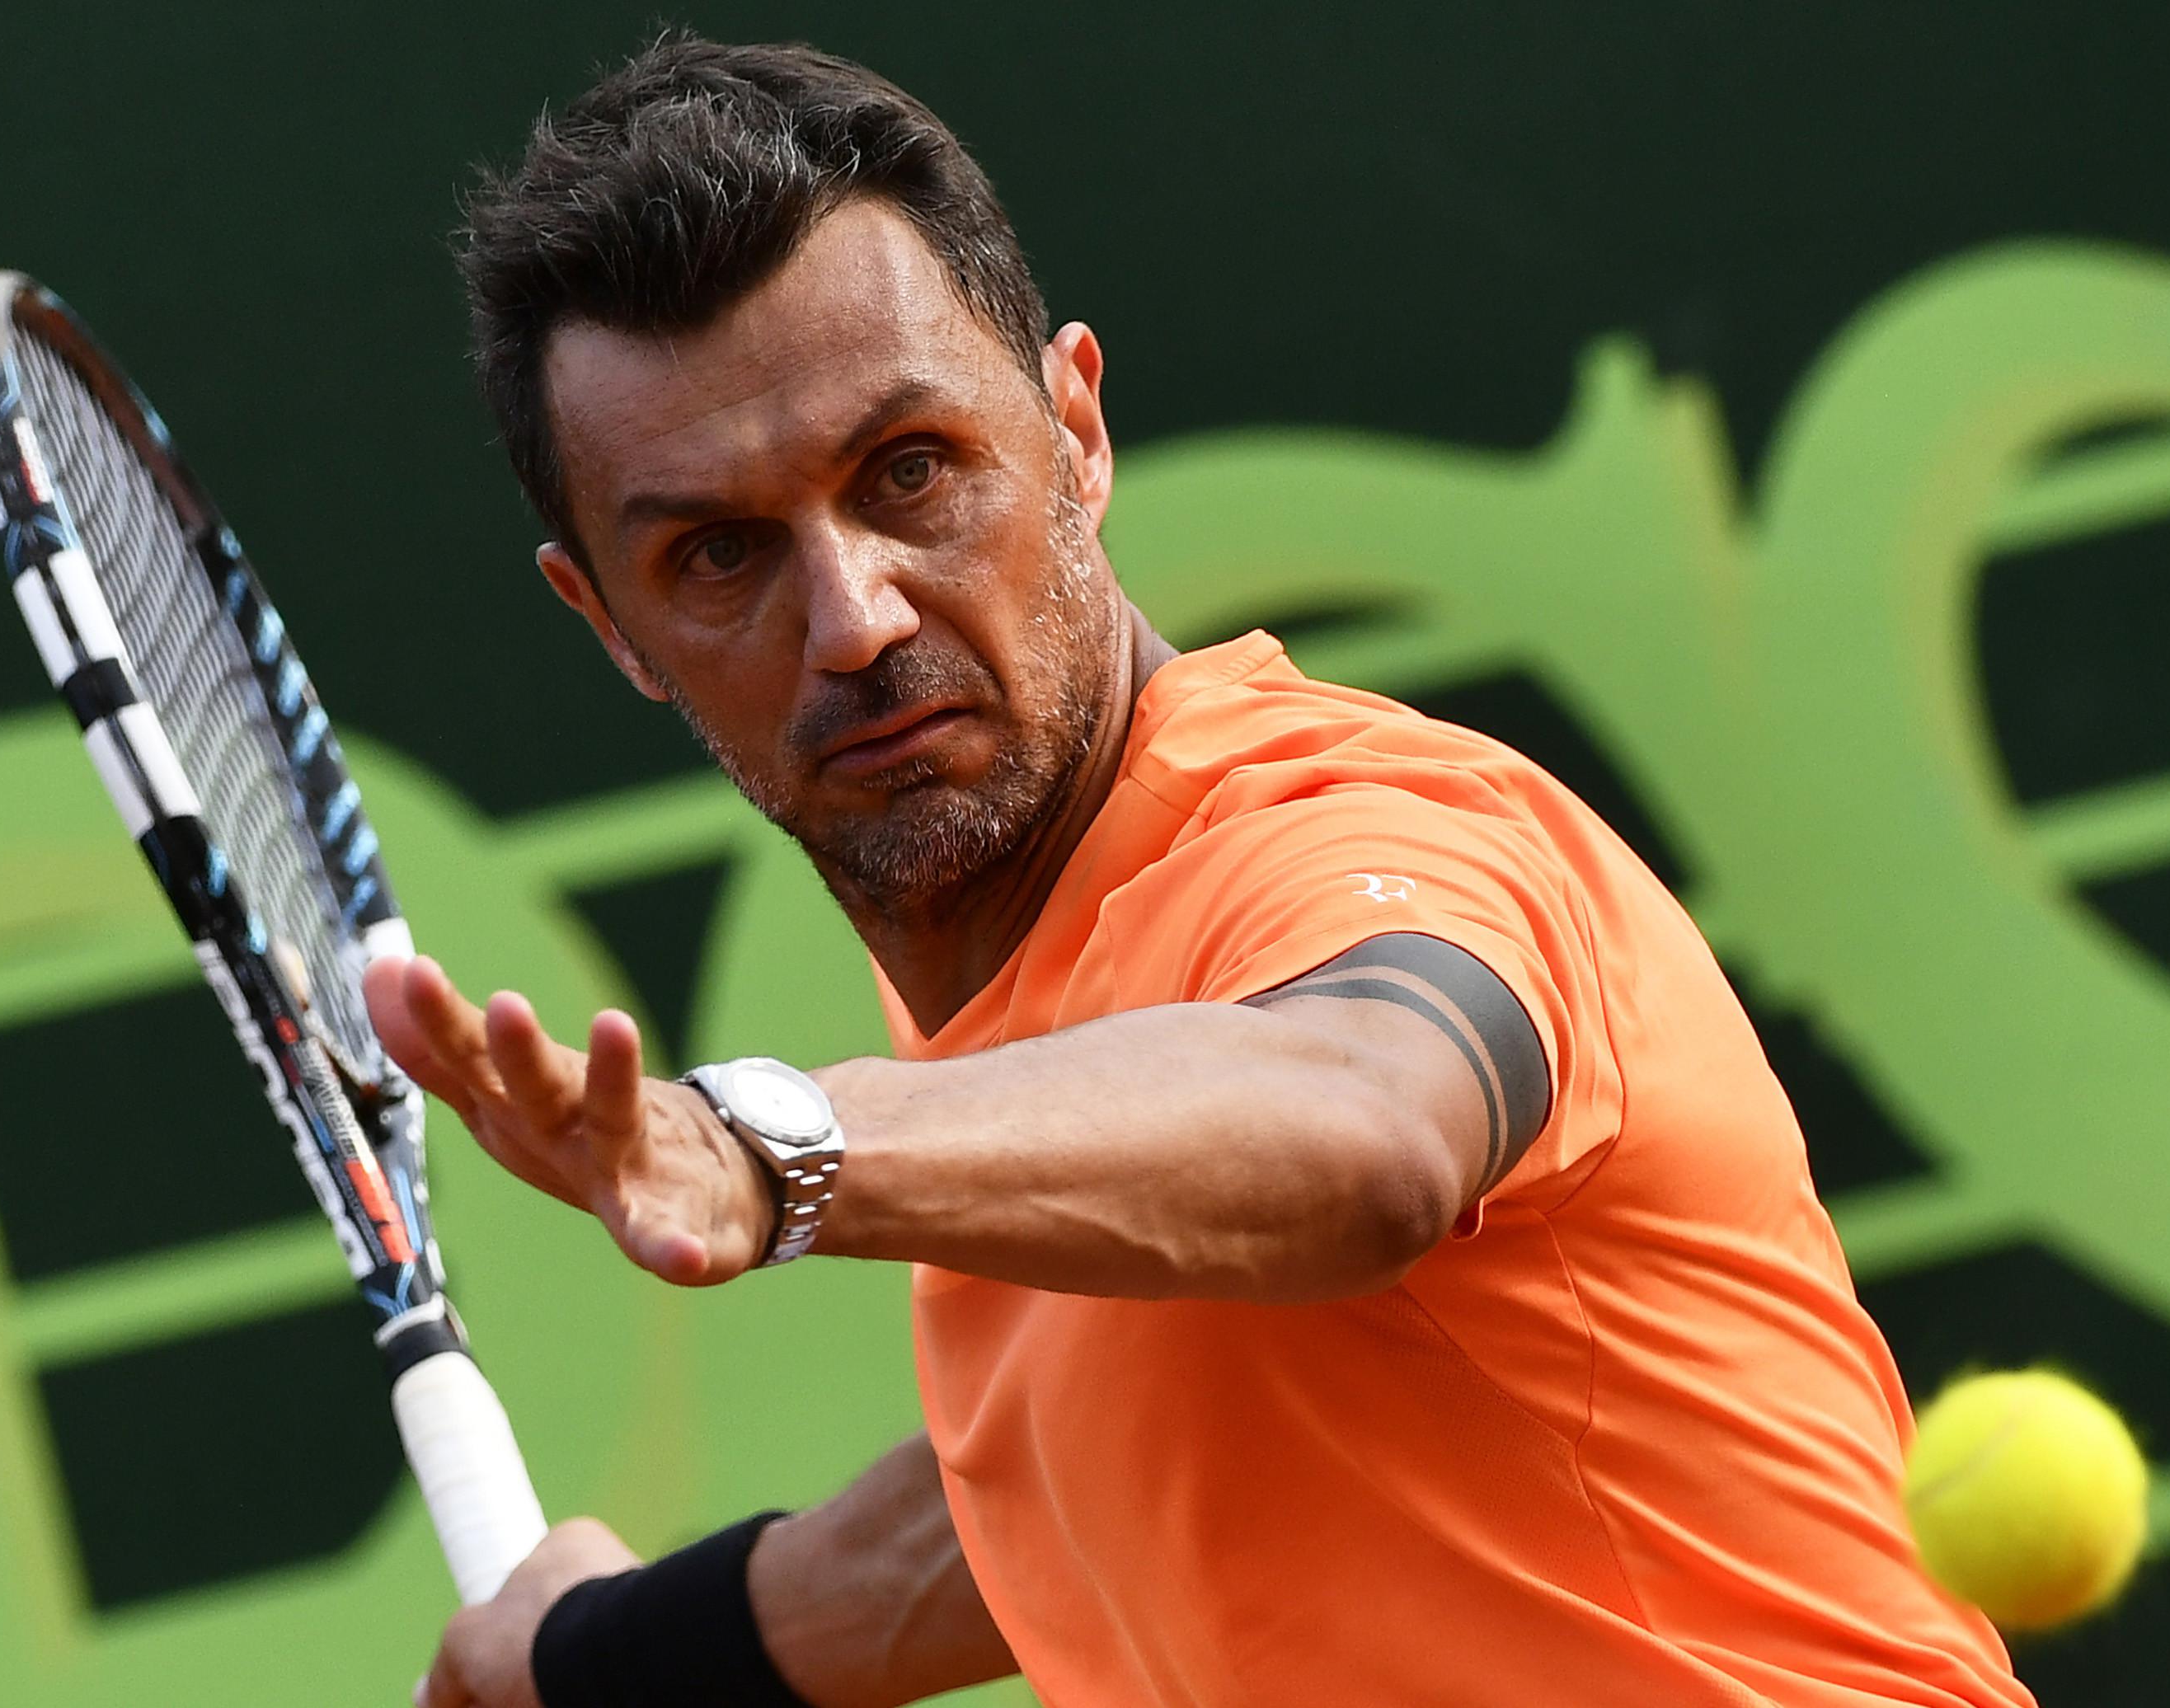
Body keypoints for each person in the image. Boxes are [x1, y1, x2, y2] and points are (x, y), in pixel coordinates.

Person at [385, 32, 2034, 1708]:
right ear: (614, 627)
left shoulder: (1361, 834)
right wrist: (603, 1657)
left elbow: (1367, 1125)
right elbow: (1054, 1498)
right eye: (719, 552)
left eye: (910, 473)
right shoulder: (1032, 1011)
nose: (855, 616)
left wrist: (773, 1142)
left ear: (1077, 431)